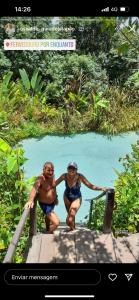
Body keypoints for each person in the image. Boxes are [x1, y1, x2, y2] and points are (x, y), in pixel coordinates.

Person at [55, 162, 109, 231]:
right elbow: (54, 184)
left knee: (69, 219)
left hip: (77, 198)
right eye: (69, 168)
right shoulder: (64, 176)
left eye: (73, 168)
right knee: (71, 215)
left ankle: (71, 227)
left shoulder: (80, 177)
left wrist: (101, 188)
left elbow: (90, 185)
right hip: (66, 196)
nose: (71, 170)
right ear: (67, 169)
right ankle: (72, 229)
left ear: (76, 170)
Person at [25, 162, 60, 234]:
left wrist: (55, 197)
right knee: (56, 223)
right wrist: (30, 200)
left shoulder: (52, 176)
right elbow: (34, 189)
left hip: (52, 203)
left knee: (48, 218)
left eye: (52, 170)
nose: (51, 172)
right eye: (48, 170)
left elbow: (53, 187)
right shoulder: (40, 178)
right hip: (45, 204)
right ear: (44, 170)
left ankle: (47, 229)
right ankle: (48, 233)